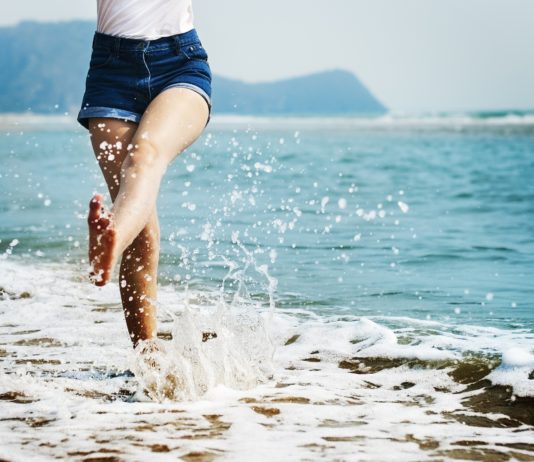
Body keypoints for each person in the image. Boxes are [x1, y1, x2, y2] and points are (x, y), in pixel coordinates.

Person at [77, 0, 212, 348]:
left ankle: (108, 244)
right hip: (111, 72)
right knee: (143, 234)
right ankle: (148, 361)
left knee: (144, 156)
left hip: (179, 63)